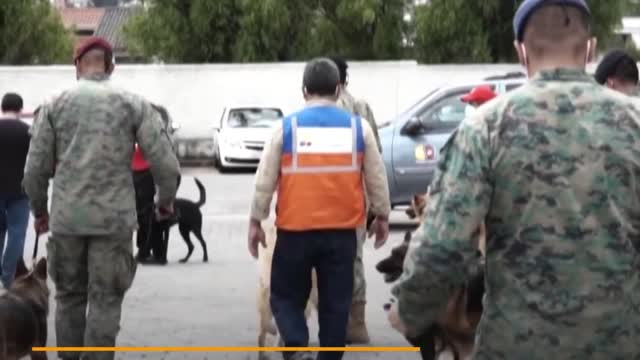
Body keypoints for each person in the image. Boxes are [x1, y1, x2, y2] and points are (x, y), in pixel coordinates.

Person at [387, 0, 640, 358]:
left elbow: (445, 243)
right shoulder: (633, 123)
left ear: (521, 52)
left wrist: (410, 308)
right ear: (591, 49)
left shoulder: (485, 127)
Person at [22, 36, 180, 360]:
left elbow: (34, 170)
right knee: (107, 299)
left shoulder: (53, 104)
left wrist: (40, 210)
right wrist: (165, 201)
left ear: (77, 66)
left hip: (66, 220)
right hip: (115, 222)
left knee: (68, 297)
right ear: (111, 65)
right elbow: (165, 163)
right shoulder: (134, 103)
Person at [248, 57, 391, 360]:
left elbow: (264, 179)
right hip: (341, 236)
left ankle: (297, 346)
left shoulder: (286, 128)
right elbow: (377, 178)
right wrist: (382, 216)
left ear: (304, 90)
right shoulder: (359, 129)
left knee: (285, 298)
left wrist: (255, 221)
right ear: (339, 89)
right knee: (336, 306)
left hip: (294, 233)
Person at [328, 55, 381, 344]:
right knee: (354, 259)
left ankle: (331, 322)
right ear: (344, 80)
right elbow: (375, 160)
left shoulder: (310, 112)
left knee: (322, 261)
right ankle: (356, 324)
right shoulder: (361, 108)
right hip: (355, 199)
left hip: (320, 200)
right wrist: (378, 207)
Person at [0, 93, 31, 288]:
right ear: (20, 109)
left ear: (2, 108)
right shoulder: (28, 131)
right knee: (17, 233)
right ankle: (9, 275)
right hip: (19, 191)